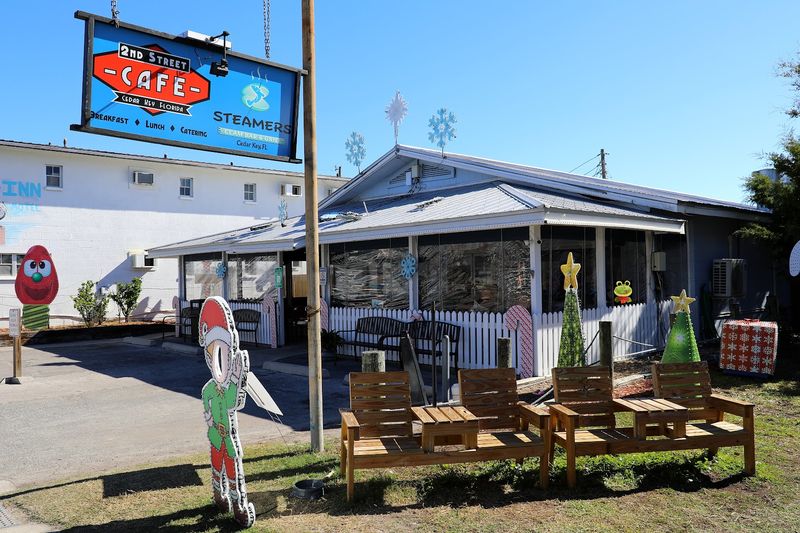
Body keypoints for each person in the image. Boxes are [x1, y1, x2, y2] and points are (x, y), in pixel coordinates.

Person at [199, 296, 255, 528]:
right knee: (216, 466)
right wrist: (212, 420)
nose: (217, 362)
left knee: (232, 469)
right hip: (216, 437)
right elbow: (207, 405)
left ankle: (238, 505)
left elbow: (233, 400)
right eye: (213, 354)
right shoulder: (209, 389)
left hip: (228, 441)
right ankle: (218, 495)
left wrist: (238, 377)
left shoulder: (227, 387)